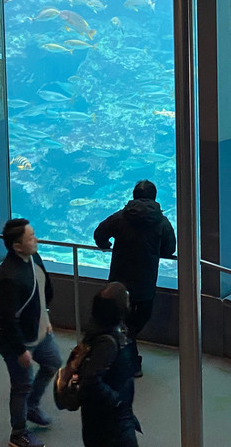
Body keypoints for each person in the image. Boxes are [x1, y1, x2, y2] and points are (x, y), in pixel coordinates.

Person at [92, 179, 175, 377]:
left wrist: (105, 245)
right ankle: (129, 360)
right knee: (138, 319)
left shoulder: (120, 217)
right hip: (145, 283)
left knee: (119, 320)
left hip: (119, 283)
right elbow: (170, 248)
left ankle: (120, 355)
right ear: (154, 197)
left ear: (134, 195)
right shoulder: (162, 222)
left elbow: (99, 234)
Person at [0, 218, 61, 447]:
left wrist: (46, 318)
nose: (36, 240)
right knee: (22, 385)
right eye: (31, 237)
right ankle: (18, 434)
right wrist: (20, 351)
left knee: (53, 362)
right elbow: (7, 319)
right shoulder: (8, 277)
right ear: (17, 246)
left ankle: (31, 407)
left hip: (40, 332)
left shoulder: (33, 257)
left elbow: (42, 291)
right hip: (18, 342)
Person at [78, 282, 142, 447]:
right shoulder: (108, 343)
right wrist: (117, 401)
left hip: (103, 419)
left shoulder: (97, 332)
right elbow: (91, 380)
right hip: (110, 423)